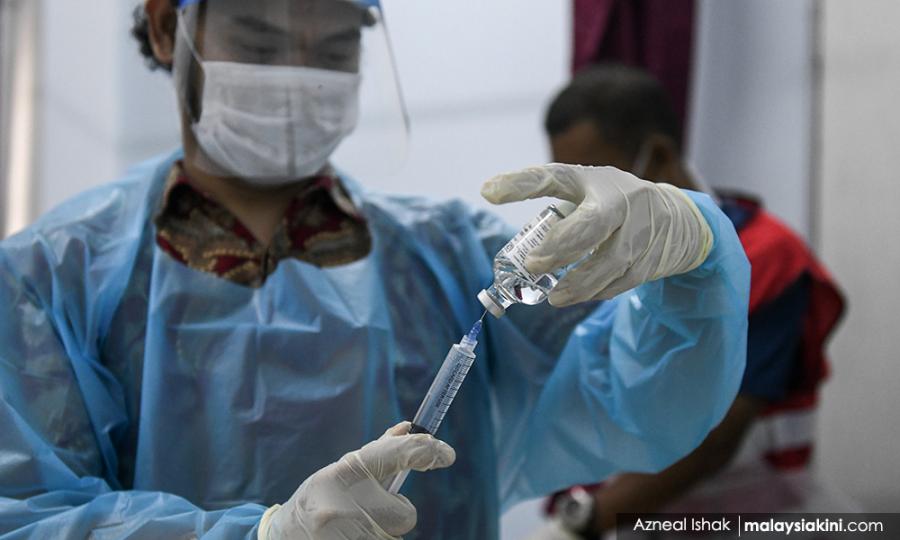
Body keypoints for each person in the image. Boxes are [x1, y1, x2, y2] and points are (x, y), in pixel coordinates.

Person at [0, 3, 750, 539]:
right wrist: (263, 535)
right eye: (260, 41)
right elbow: (21, 513)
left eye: (332, 50)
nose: (299, 78)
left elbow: (638, 401)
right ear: (169, 27)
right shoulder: (52, 278)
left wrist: (693, 256)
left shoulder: (449, 253)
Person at [531, 64, 846, 539]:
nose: (585, 210)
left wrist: (580, 523)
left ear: (657, 156)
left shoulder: (766, 259)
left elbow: (713, 442)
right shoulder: (608, 268)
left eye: (595, 188)